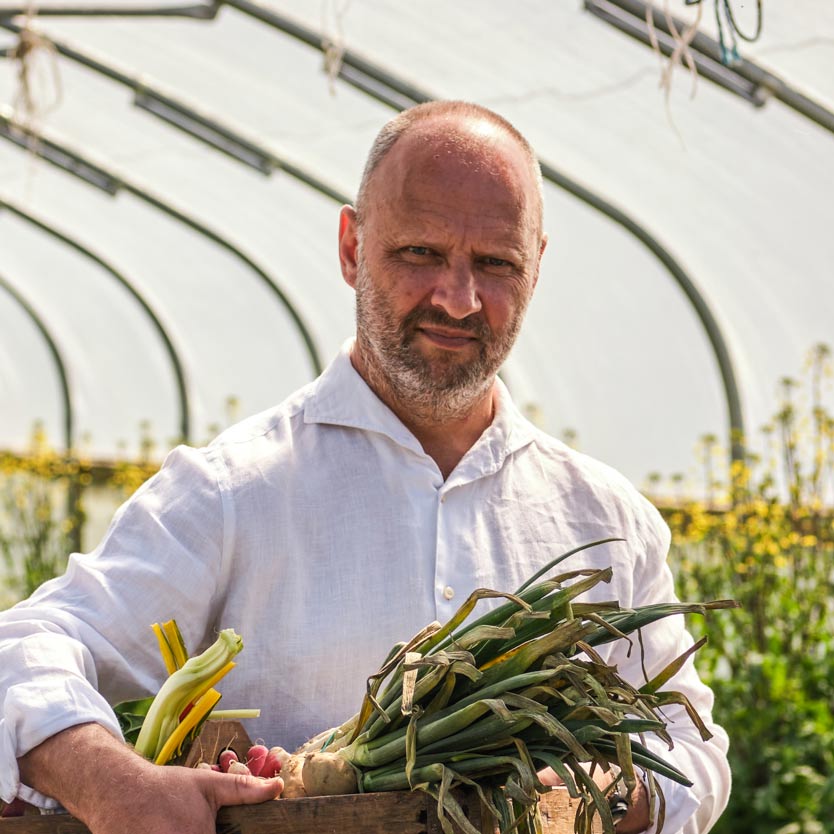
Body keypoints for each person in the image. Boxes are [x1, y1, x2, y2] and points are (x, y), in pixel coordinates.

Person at [0, 101, 730, 834]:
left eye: (495, 264)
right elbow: (28, 646)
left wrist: (586, 799)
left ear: (537, 264)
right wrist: (109, 781)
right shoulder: (234, 493)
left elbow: (692, 752)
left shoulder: (604, 521)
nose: (458, 297)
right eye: (421, 253)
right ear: (352, 247)